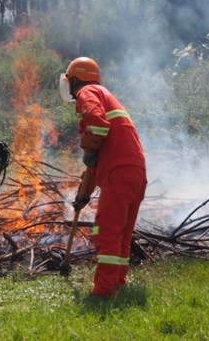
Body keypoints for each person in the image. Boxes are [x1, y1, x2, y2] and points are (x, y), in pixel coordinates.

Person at [60, 57, 147, 301]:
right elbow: (95, 167)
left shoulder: (88, 92)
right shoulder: (103, 94)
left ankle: (103, 291)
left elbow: (98, 126)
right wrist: (83, 196)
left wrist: (88, 146)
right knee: (121, 233)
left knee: (107, 231)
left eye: (70, 81)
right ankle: (118, 281)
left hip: (119, 173)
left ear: (76, 80)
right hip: (134, 171)